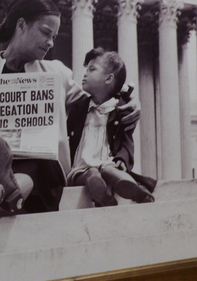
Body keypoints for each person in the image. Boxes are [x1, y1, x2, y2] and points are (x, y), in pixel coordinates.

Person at [0, 0, 141, 220]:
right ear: (21, 25)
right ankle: (1, 191)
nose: (51, 42)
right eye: (45, 32)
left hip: (37, 166)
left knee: (38, 161)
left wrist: (127, 99)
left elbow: (94, 100)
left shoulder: (56, 74)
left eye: (54, 35)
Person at [66, 48, 155, 207]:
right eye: (86, 69)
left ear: (108, 79)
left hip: (108, 161)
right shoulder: (78, 108)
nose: (85, 73)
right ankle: (102, 194)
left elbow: (126, 140)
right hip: (81, 165)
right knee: (89, 174)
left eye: (92, 69)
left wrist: (122, 159)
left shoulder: (120, 109)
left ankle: (135, 190)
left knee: (109, 170)